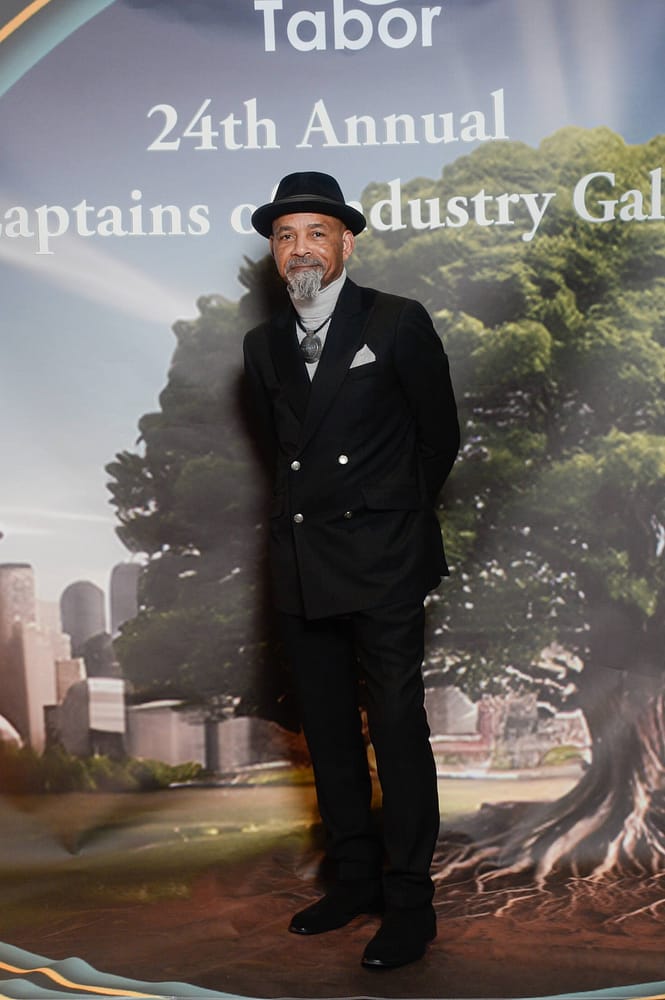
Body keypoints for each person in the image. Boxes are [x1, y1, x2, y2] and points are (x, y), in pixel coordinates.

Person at [243, 172, 460, 970]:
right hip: (302, 561)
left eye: (316, 233)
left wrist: (386, 517)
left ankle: (409, 904)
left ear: (346, 243)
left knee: (396, 730)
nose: (299, 248)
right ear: (274, 252)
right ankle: (354, 879)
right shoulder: (262, 345)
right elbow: (280, 454)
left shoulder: (397, 321)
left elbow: (438, 438)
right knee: (329, 734)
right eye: (285, 236)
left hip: (383, 559)